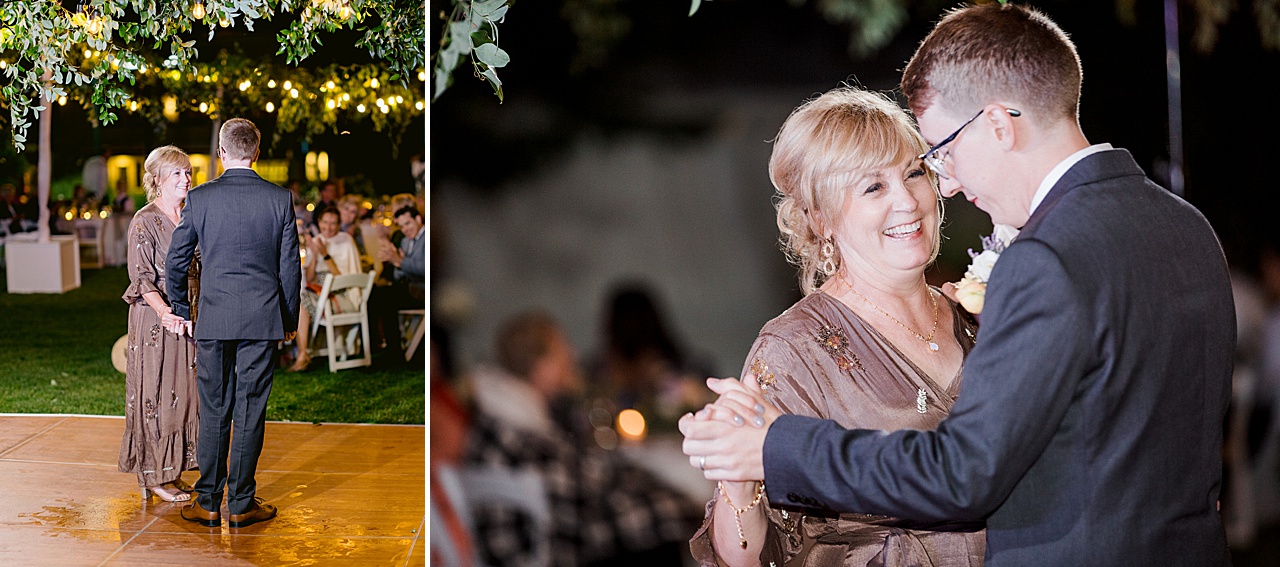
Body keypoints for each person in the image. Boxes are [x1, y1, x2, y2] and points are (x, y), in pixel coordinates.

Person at [680, 4, 1235, 565]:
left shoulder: (1028, 275)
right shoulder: (1188, 226)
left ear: (997, 125)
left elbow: (964, 473)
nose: (937, 188)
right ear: (820, 218)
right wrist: (744, 467)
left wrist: (779, 447)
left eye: (930, 160)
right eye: (873, 187)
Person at [686, 88, 983, 566]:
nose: (908, 201)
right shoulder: (794, 349)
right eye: (873, 187)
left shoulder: (974, 316)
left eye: (914, 173)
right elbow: (742, 557)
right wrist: (736, 481)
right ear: (820, 219)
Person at [166, 117, 301, 529]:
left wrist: (180, 307)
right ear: (256, 152)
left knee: (214, 408)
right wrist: (289, 319)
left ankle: (207, 501)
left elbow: (176, 260)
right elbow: (290, 268)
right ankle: (241, 503)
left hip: (214, 318)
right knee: (250, 409)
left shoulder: (202, 198)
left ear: (222, 153)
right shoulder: (280, 199)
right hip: (262, 319)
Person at [118, 145, 200, 503]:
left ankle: (173, 470)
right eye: (178, 173)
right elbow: (141, 278)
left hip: (188, 319)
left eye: (187, 172)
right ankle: (153, 477)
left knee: (182, 395)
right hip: (156, 321)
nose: (186, 178)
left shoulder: (191, 214)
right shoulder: (144, 219)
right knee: (156, 393)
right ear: (158, 181)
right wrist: (166, 313)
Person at [289, 206, 362, 372]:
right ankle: (302, 353)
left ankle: (303, 353)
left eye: (333, 223)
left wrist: (325, 254)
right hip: (319, 293)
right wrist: (314, 254)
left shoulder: (345, 240)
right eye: (325, 222)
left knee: (301, 301)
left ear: (338, 224)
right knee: (298, 301)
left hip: (340, 295)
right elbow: (309, 278)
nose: (328, 227)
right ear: (319, 222)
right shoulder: (317, 240)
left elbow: (343, 278)